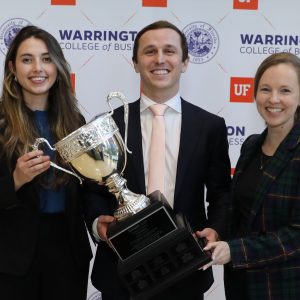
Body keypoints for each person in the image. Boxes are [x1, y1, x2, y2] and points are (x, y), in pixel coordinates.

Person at [84, 20, 231, 300]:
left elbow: (221, 192)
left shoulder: (210, 126)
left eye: (169, 51)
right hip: (120, 270)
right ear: (136, 63)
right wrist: (96, 224)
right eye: (150, 51)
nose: (160, 59)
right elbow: (93, 190)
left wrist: (216, 229)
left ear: (185, 61)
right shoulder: (109, 125)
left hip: (186, 266)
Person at [0, 25, 93, 300]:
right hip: (11, 257)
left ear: (58, 66)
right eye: (27, 59)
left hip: (68, 252)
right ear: (13, 69)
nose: (37, 68)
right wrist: (16, 179)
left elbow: (89, 190)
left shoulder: (77, 124)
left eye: (46, 58)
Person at [203, 52, 300, 300]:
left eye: (285, 90)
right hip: (241, 286)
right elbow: (240, 211)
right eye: (265, 89)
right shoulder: (251, 146)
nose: (274, 99)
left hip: (285, 288)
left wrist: (235, 250)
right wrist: (217, 231)